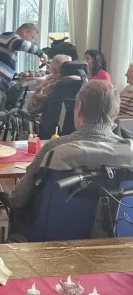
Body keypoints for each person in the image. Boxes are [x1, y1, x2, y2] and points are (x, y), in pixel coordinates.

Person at [10, 80, 124, 210]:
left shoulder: (55, 147)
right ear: (115, 111)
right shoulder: (127, 151)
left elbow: (18, 199)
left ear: (79, 107)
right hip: (110, 228)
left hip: (53, 227)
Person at [0, 23, 46, 112]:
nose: (31, 41)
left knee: (0, 114)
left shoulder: (10, 41)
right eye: (32, 37)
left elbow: (3, 64)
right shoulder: (9, 37)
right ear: (26, 32)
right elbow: (22, 44)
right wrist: (41, 53)